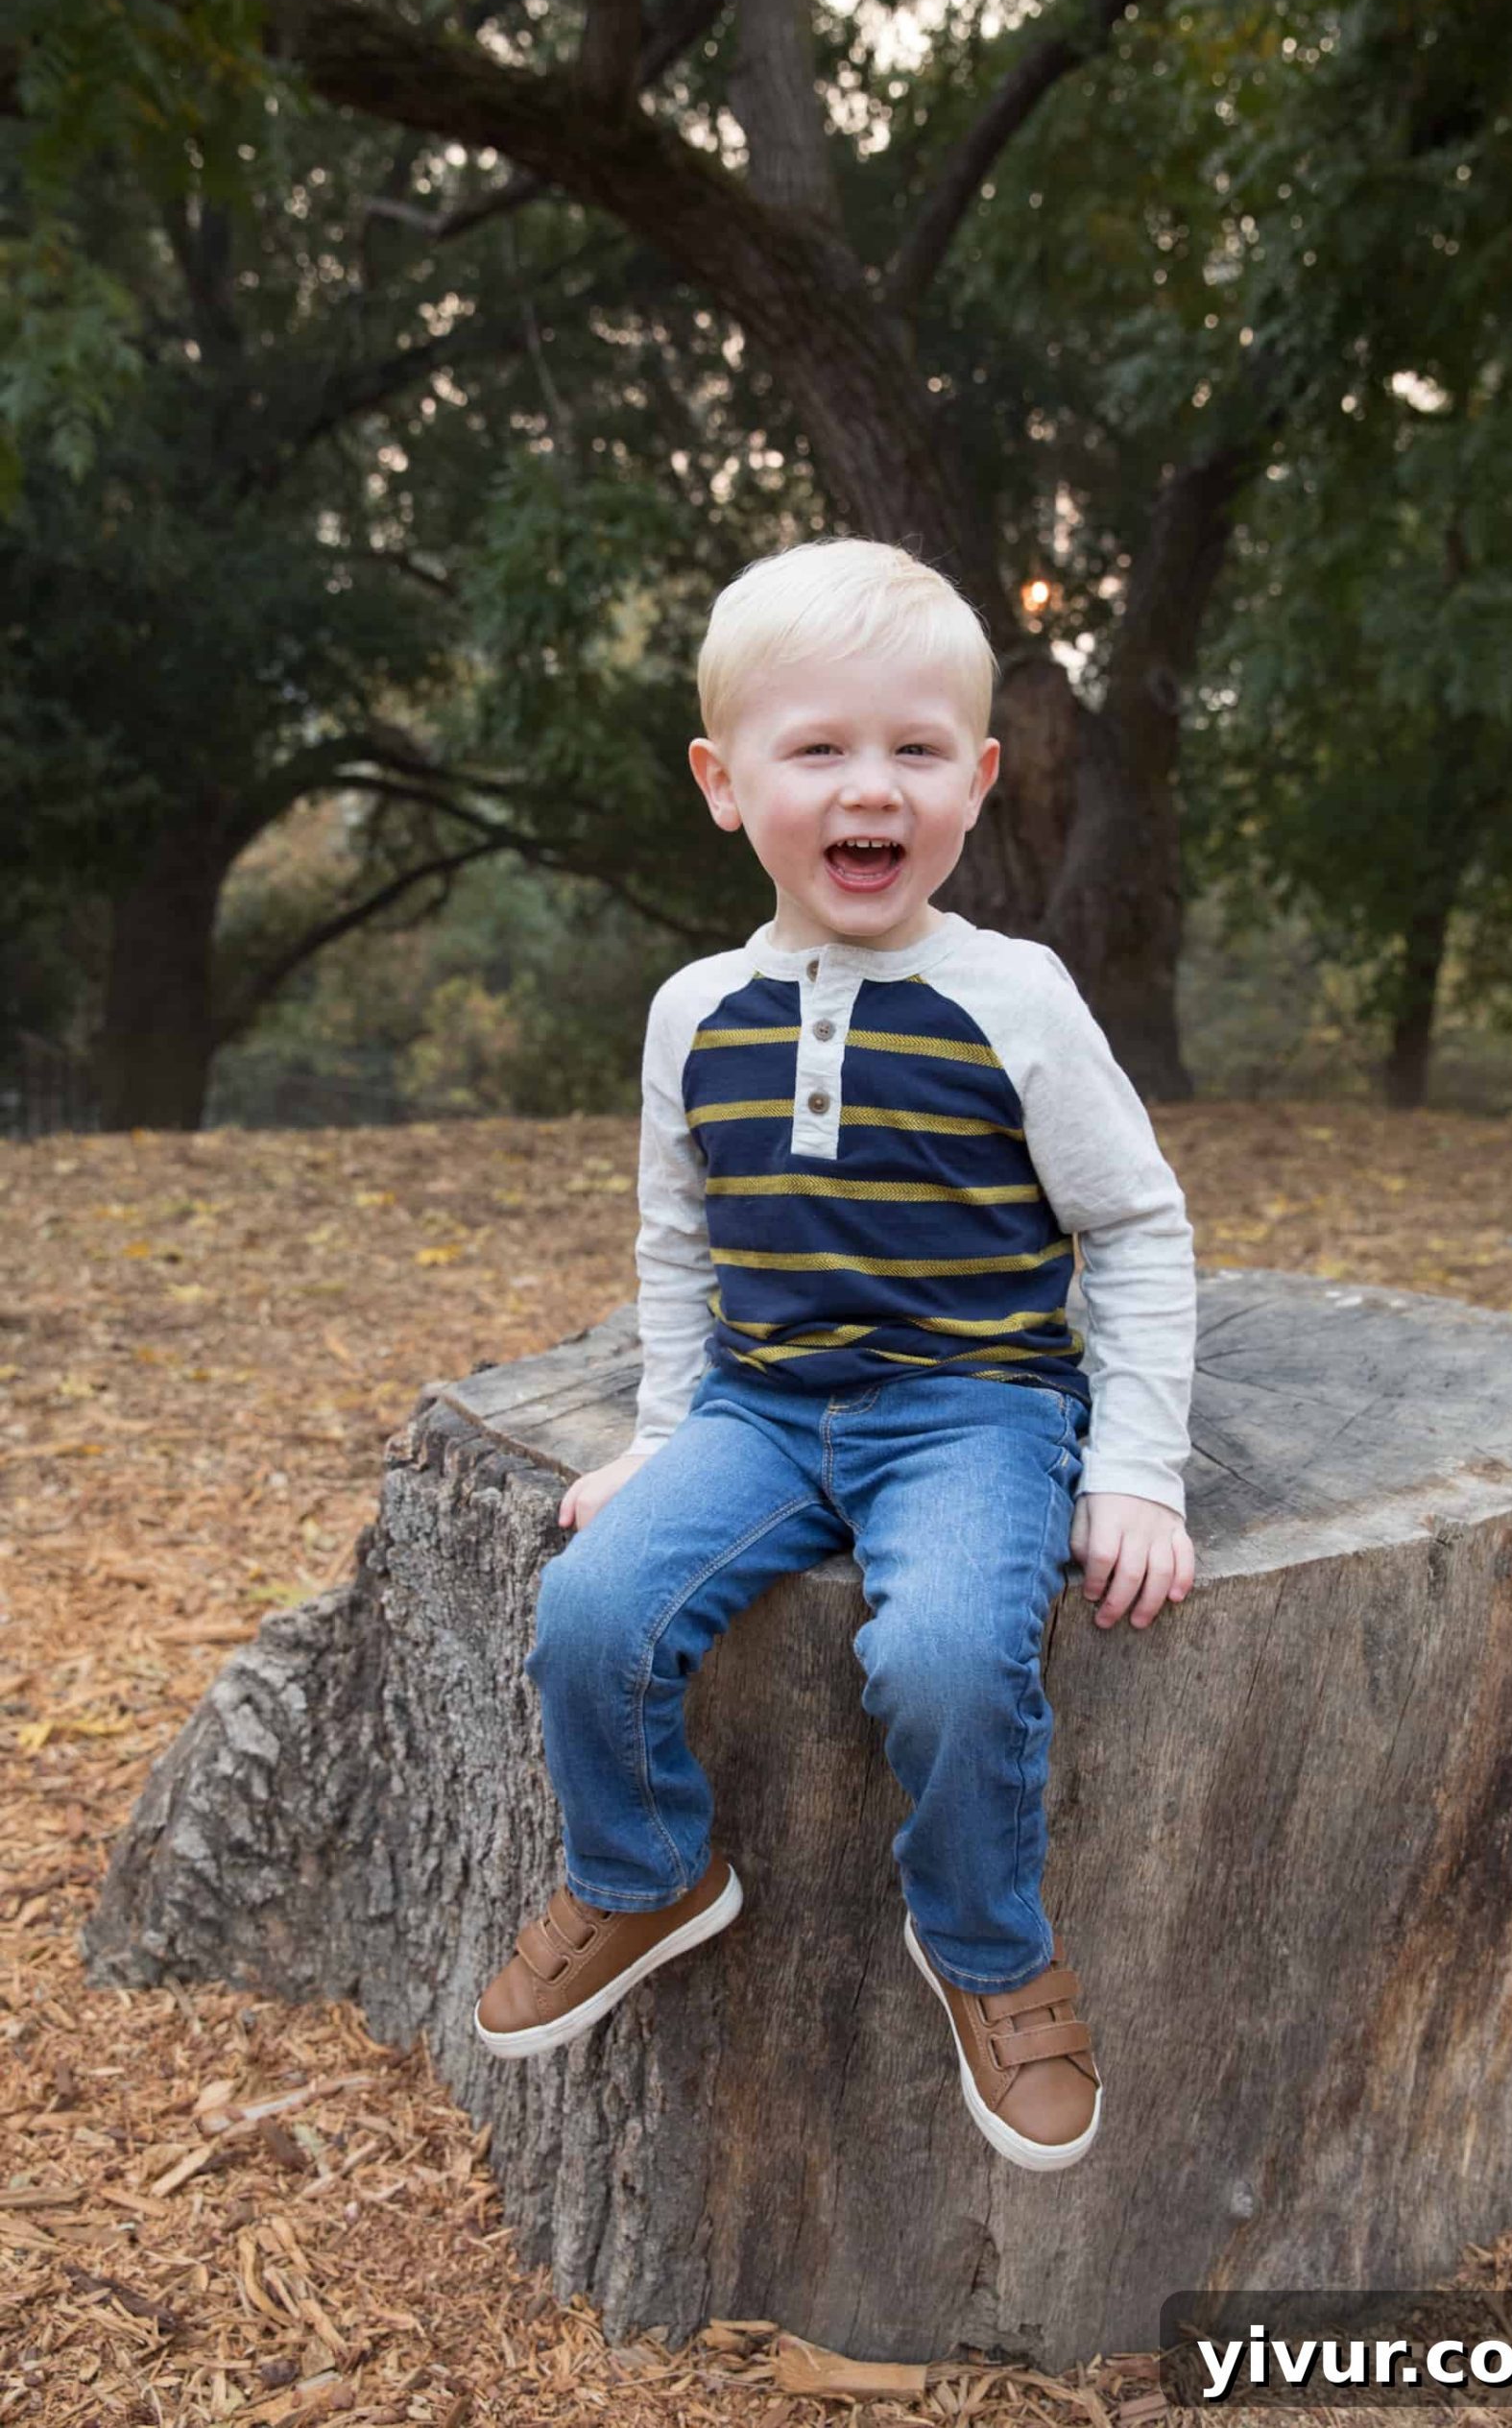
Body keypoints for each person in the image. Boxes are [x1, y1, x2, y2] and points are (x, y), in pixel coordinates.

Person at [474, 537, 1197, 2171]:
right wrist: (667, 1435)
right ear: (726, 783)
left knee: (946, 1655)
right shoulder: (694, 1011)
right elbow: (681, 1241)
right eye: (820, 749)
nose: (871, 788)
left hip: (976, 1412)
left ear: (979, 782)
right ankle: (646, 1870)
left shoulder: (1013, 995)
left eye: (916, 750)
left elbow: (1141, 1232)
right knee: (593, 1607)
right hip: (764, 1407)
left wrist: (1138, 1469)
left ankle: (987, 1952)